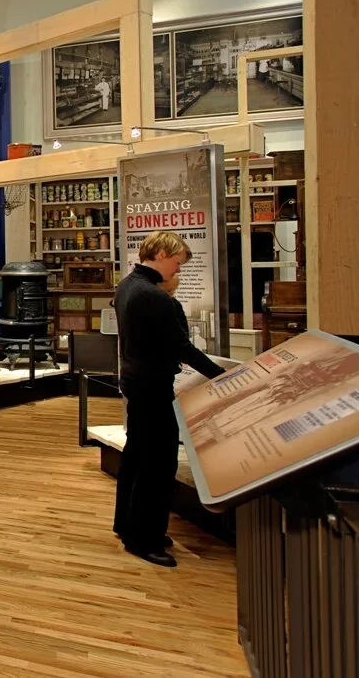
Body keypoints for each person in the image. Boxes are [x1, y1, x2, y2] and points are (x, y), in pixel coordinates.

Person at [112, 231, 225, 568]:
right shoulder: (153, 296)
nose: (178, 269)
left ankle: (127, 525)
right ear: (161, 253)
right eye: (177, 263)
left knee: (135, 457)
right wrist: (220, 374)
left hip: (136, 381)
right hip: (151, 386)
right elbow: (181, 348)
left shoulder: (127, 285)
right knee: (158, 466)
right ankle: (143, 538)